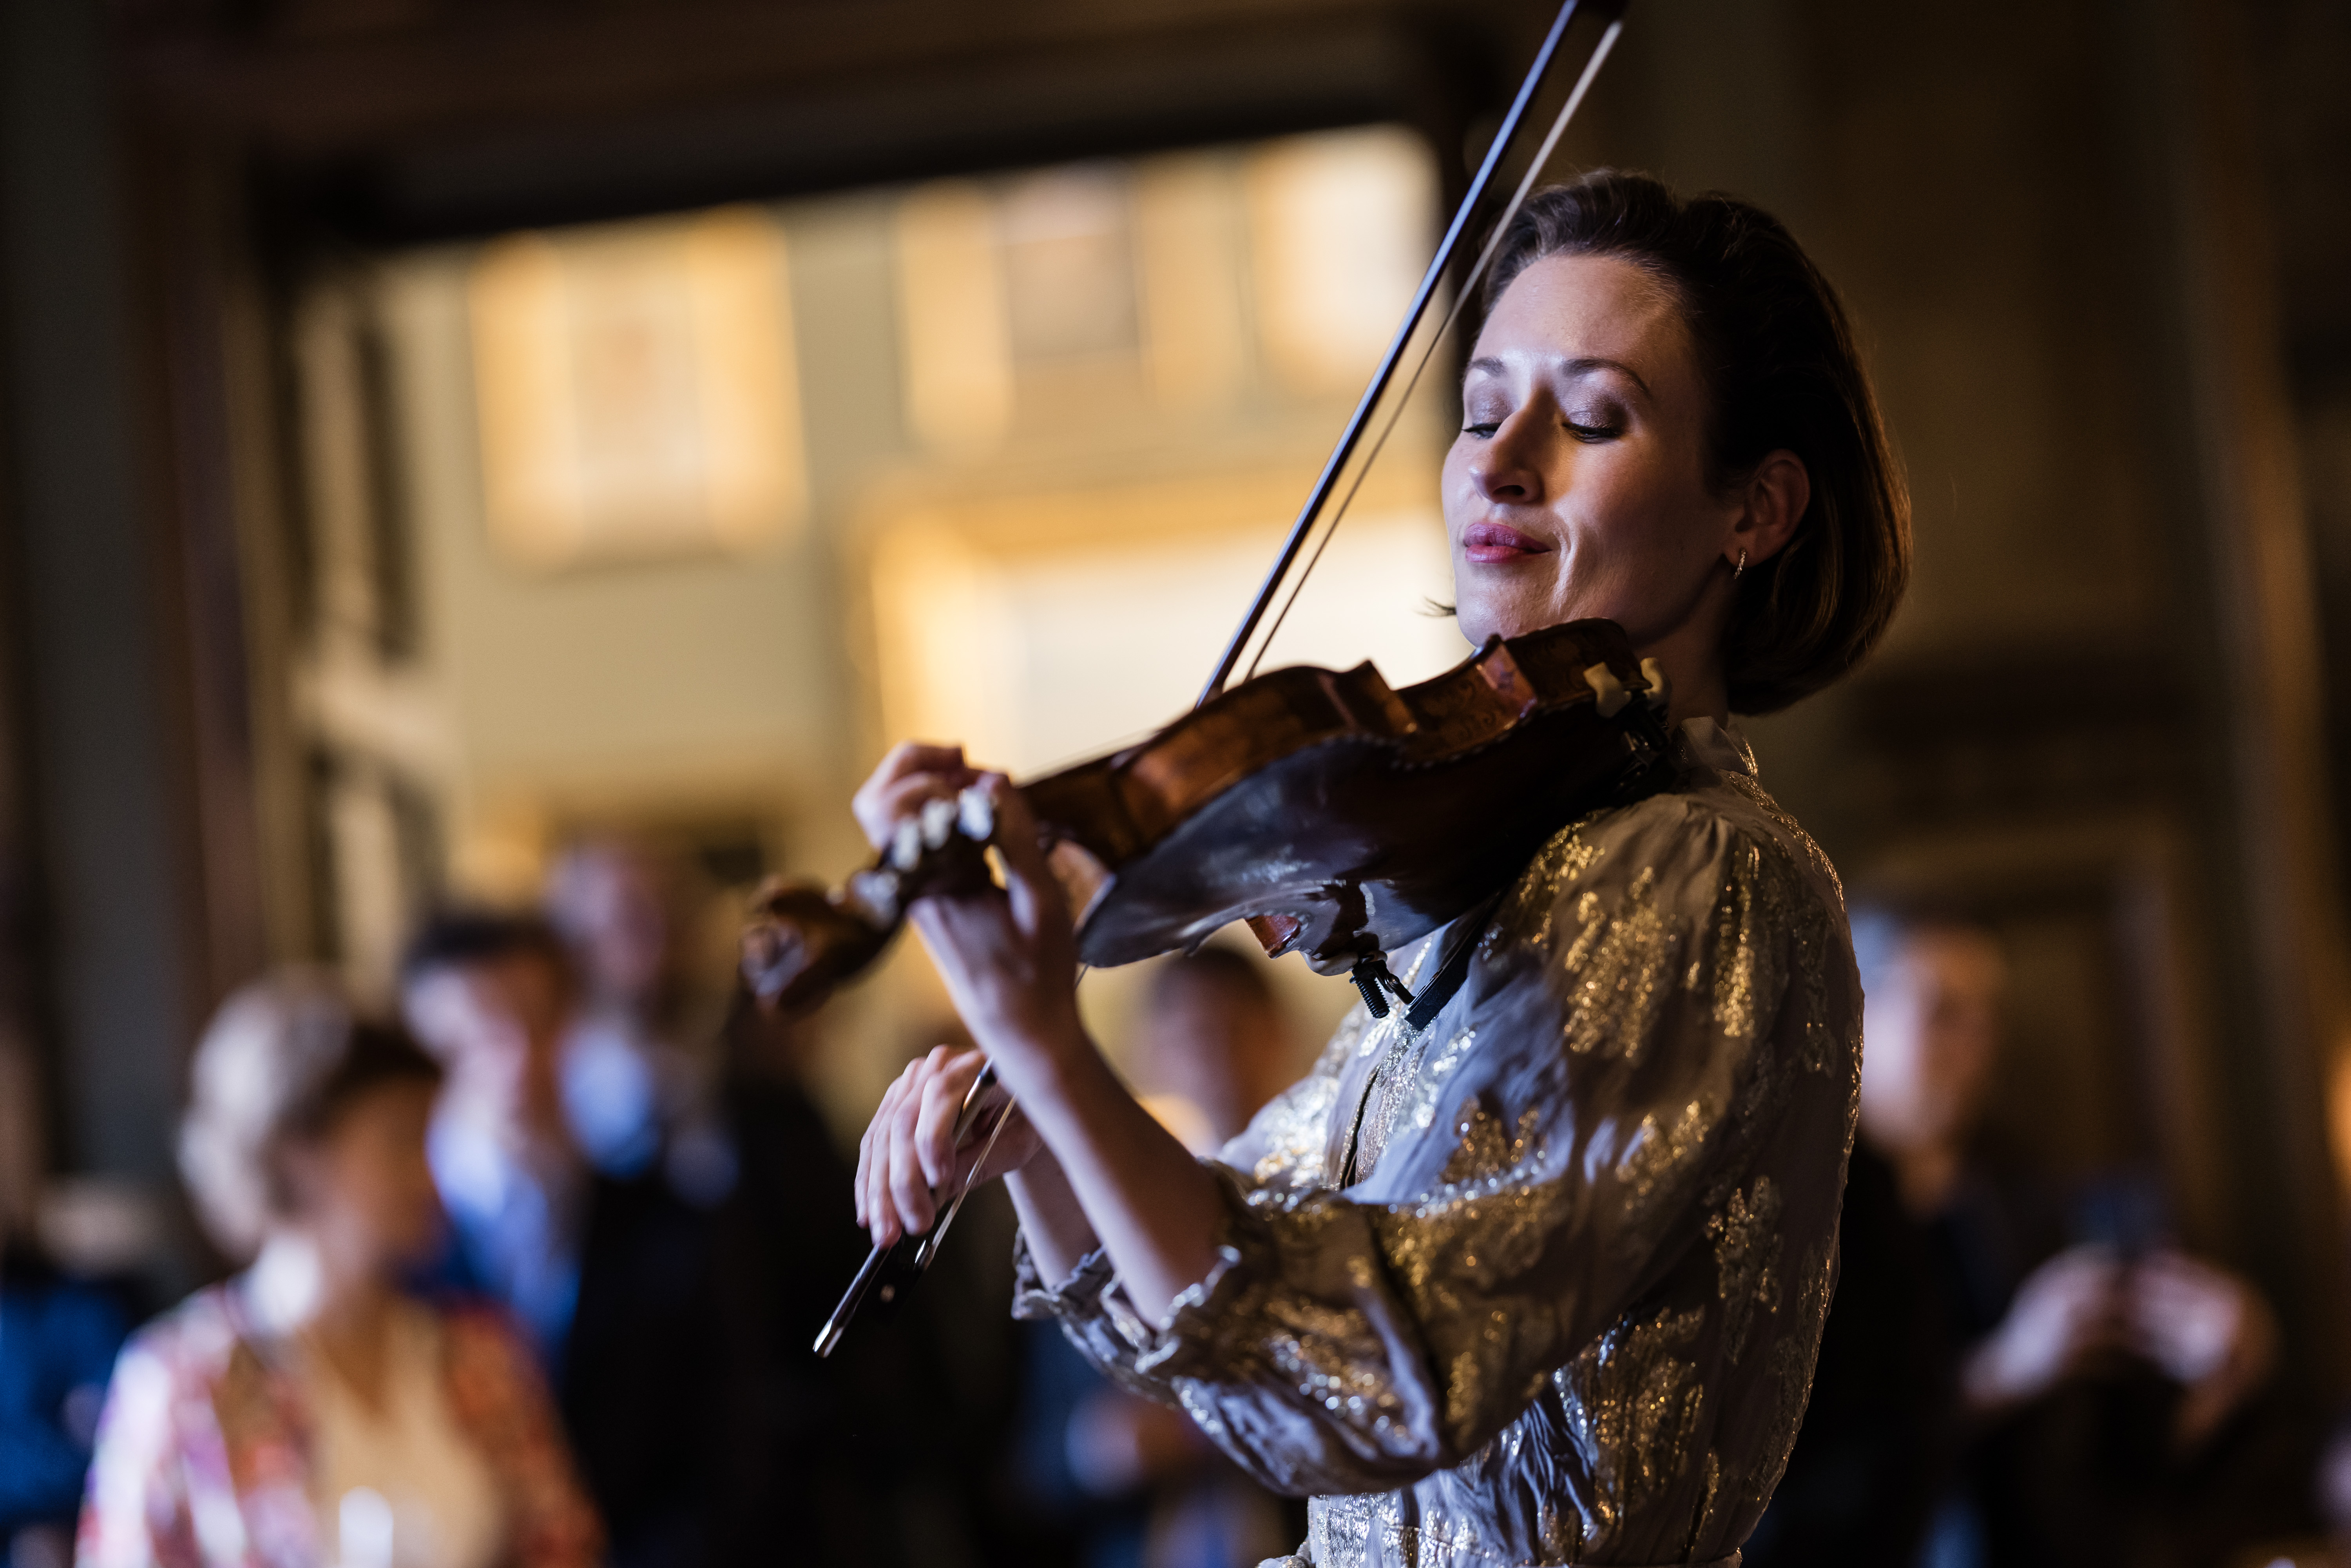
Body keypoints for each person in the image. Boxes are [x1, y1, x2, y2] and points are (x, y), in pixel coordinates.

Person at [853, 168, 1911, 1567]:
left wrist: (1052, 1052)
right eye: (1480, 410)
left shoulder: (1704, 868)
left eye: (1592, 418)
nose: (1500, 461)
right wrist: (1047, 1141)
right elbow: (1237, 1308)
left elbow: (1371, 1374)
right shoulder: (1503, 871)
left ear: (1757, 510)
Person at [1839, 905, 2317, 1567]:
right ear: (1857, 1015)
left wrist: (2224, 1369)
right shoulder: (1813, 1220)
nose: (1977, 1041)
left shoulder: (2025, 1194)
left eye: (1988, 1015)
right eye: (1945, 1011)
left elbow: (2120, 1460)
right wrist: (2007, 1368)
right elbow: (1821, 1471)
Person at [76, 971, 598, 1568]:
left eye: (430, 1141)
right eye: (400, 1142)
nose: (429, 1177)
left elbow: (565, 1549)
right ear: (299, 1153)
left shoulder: (483, 1360)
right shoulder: (190, 1381)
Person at [401, 911, 726, 1568]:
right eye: (478, 1033)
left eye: (538, 1021)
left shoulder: (674, 1225)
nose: (516, 1057)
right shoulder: (398, 1253)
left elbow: (726, 1466)